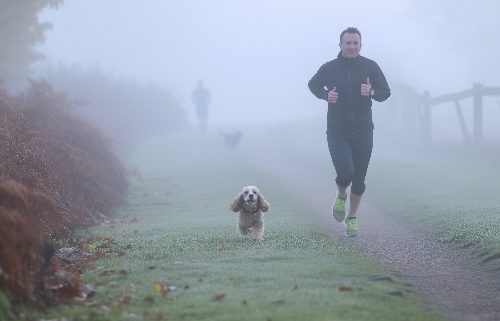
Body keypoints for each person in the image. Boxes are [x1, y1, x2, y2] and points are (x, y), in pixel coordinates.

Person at [308, 27, 390, 237]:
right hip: (338, 130)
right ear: (340, 45)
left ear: (360, 45)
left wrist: (370, 92)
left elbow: (385, 92)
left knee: (359, 179)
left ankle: (352, 218)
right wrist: (326, 95)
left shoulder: (370, 67)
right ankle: (341, 195)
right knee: (345, 173)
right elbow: (313, 85)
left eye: (355, 43)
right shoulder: (330, 68)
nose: (352, 47)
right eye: (348, 43)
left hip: (363, 129)